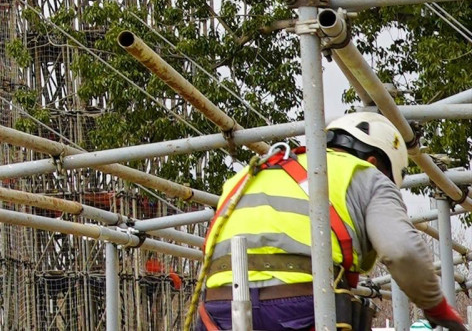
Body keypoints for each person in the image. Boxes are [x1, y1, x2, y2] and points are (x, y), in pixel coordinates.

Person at [191, 112, 465, 331]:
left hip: (218, 310)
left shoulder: (246, 176)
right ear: (373, 161)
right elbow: (402, 251)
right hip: (301, 309)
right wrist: (436, 307)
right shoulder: (366, 174)